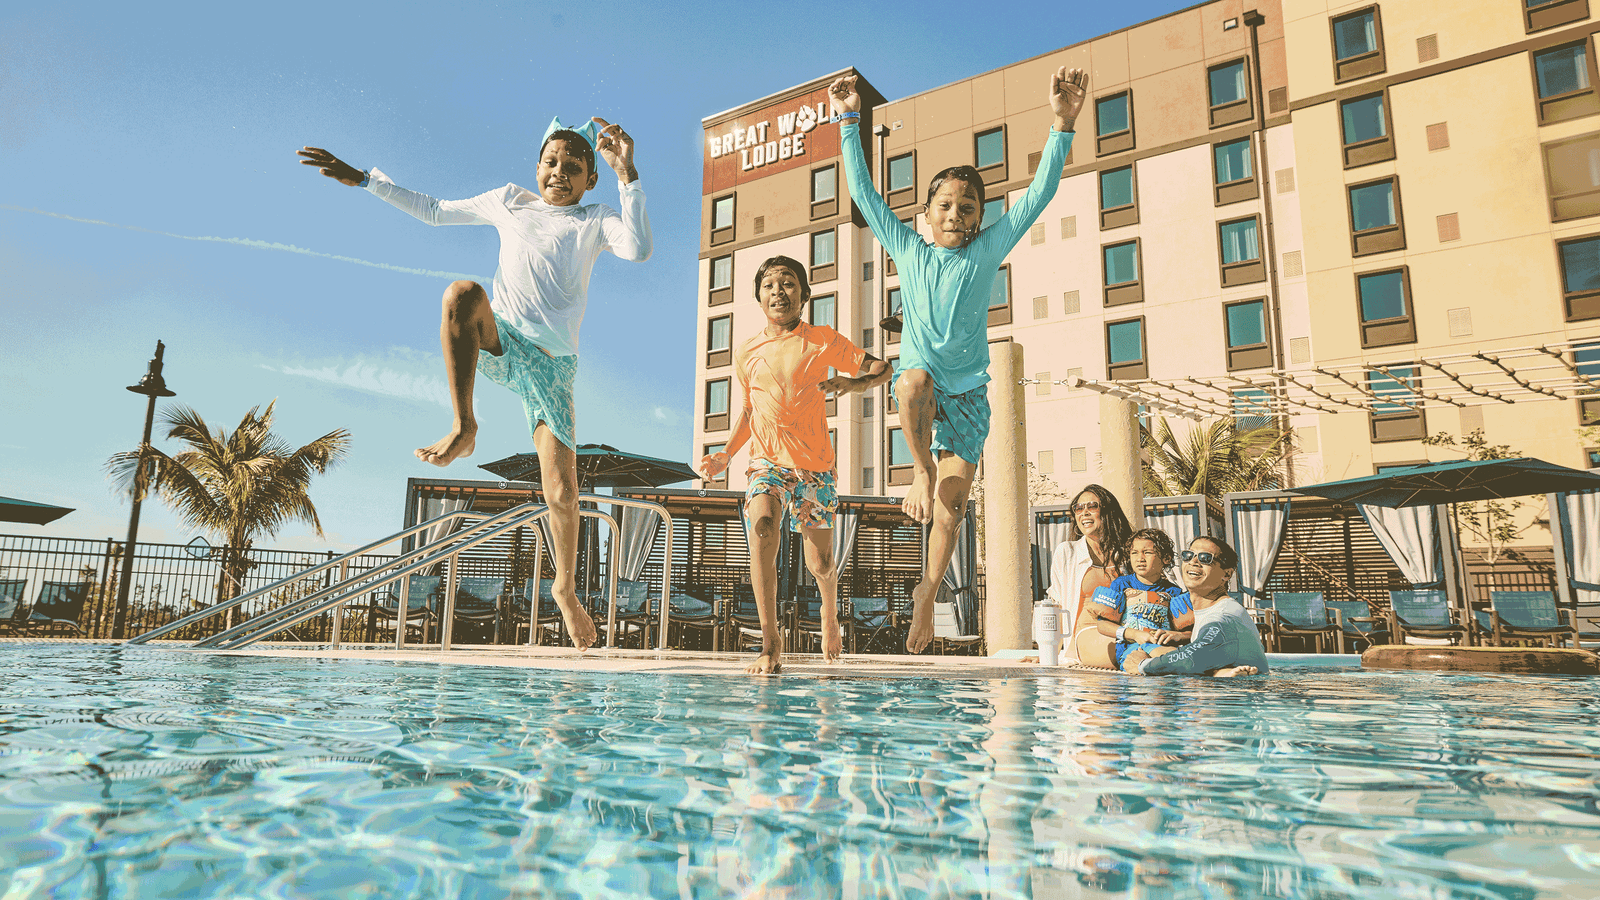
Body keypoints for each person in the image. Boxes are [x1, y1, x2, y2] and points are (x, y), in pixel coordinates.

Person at [296, 116, 651, 651]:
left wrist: (629, 176)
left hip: (553, 367)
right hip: (500, 339)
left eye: (573, 167)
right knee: (462, 294)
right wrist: (366, 181)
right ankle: (464, 424)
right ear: (536, 167)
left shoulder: (596, 218)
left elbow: (639, 249)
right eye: (550, 163)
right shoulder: (509, 201)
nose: (559, 173)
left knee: (562, 491)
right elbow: (434, 210)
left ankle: (565, 587)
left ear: (590, 179)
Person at [830, 67, 1089, 654]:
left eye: (967, 207)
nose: (956, 214)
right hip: (925, 387)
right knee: (911, 381)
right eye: (944, 205)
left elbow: (1039, 194)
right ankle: (920, 469)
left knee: (949, 512)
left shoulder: (988, 249)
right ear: (925, 214)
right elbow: (864, 195)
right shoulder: (908, 249)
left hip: (969, 394)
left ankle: (927, 592)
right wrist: (849, 120)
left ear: (979, 217)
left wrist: (1062, 124)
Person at [701, 256, 891, 675]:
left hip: (814, 467)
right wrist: (726, 454)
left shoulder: (823, 339)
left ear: (804, 295)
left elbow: (882, 369)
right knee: (763, 526)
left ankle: (829, 611)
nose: (778, 292)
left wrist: (854, 382)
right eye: (769, 285)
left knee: (819, 564)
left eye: (788, 283)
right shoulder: (746, 351)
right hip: (766, 462)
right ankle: (770, 642)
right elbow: (750, 411)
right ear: (758, 297)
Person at [1135, 536, 1268, 677]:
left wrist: (1143, 665)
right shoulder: (1210, 610)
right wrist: (1182, 636)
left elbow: (1191, 658)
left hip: (1240, 688)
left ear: (1226, 574)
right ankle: (1218, 672)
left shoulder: (1223, 615)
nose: (1193, 561)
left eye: (1205, 558)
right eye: (1188, 555)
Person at [1046, 485, 1135, 664]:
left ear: (1108, 511)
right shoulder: (1067, 552)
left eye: (1092, 506)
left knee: (1145, 649)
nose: (1084, 512)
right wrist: (1049, 655)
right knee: (1130, 653)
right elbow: (1057, 606)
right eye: (1078, 508)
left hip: (1128, 632)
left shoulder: (1129, 552)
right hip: (1087, 633)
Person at [1091, 529, 1192, 674]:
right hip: (1130, 648)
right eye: (1134, 553)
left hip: (1161, 646)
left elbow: (1190, 633)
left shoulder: (1173, 592)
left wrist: (1177, 635)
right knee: (1171, 660)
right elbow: (1102, 625)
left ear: (1166, 558)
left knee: (1170, 657)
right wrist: (1134, 634)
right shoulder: (1121, 585)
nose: (1140, 558)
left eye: (1147, 552)